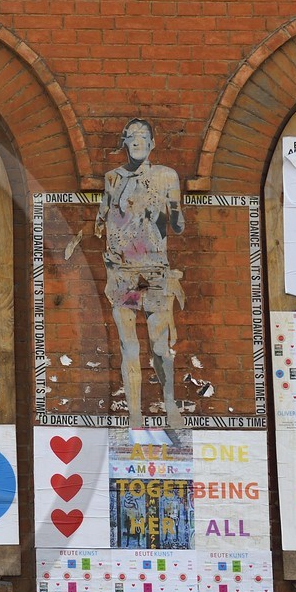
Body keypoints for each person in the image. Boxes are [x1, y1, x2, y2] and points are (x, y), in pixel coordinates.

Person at [95, 118, 185, 428]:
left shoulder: (166, 176)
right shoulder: (112, 179)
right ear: (123, 141)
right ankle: (135, 415)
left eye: (142, 135)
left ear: (152, 143)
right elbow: (102, 222)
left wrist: (167, 211)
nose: (136, 140)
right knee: (129, 346)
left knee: (159, 346)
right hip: (124, 276)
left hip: (155, 273)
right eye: (131, 135)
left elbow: (178, 224)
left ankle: (170, 404)